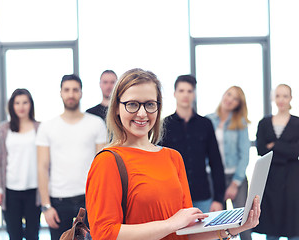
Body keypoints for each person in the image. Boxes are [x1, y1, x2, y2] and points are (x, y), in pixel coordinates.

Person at [86, 68, 261, 240]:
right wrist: (171, 224)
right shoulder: (108, 161)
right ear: (117, 108)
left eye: (149, 104)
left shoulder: (173, 157)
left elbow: (186, 231)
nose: (142, 113)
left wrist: (234, 228)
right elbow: (104, 234)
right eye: (132, 104)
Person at [36, 74, 107, 240]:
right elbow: (42, 167)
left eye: (75, 90)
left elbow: (102, 166)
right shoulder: (48, 127)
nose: (71, 94)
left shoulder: (96, 123)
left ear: (81, 93)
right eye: (67, 90)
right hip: (58, 202)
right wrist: (46, 206)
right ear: (60, 93)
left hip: (89, 200)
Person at [160, 74, 225, 213]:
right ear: (174, 94)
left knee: (206, 234)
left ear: (194, 94)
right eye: (181, 91)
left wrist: (218, 199)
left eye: (189, 91)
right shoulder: (165, 125)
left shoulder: (205, 124)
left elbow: (216, 162)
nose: (185, 95)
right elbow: (159, 164)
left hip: (202, 196)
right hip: (174, 196)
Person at [0, 88, 41, 240]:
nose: (21, 106)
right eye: (17, 103)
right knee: (14, 234)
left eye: (25, 102)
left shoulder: (39, 128)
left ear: (31, 105)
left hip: (34, 191)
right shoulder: (4, 129)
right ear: (12, 106)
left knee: (33, 234)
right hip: (11, 190)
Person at [253, 84, 299, 240]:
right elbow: (261, 149)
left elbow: (296, 151)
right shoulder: (264, 123)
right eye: (278, 95)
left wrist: (274, 146)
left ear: (291, 98)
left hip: (292, 179)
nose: (281, 100)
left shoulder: (297, 123)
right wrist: (286, 149)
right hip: (270, 177)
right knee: (271, 224)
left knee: (293, 223)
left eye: (285, 96)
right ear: (273, 98)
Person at [206, 86, 252, 240]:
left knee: (244, 223)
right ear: (224, 94)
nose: (230, 99)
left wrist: (235, 183)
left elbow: (244, 154)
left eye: (235, 98)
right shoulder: (208, 120)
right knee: (218, 225)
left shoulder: (241, 123)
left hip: (235, 177)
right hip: (213, 178)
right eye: (229, 94)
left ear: (239, 104)